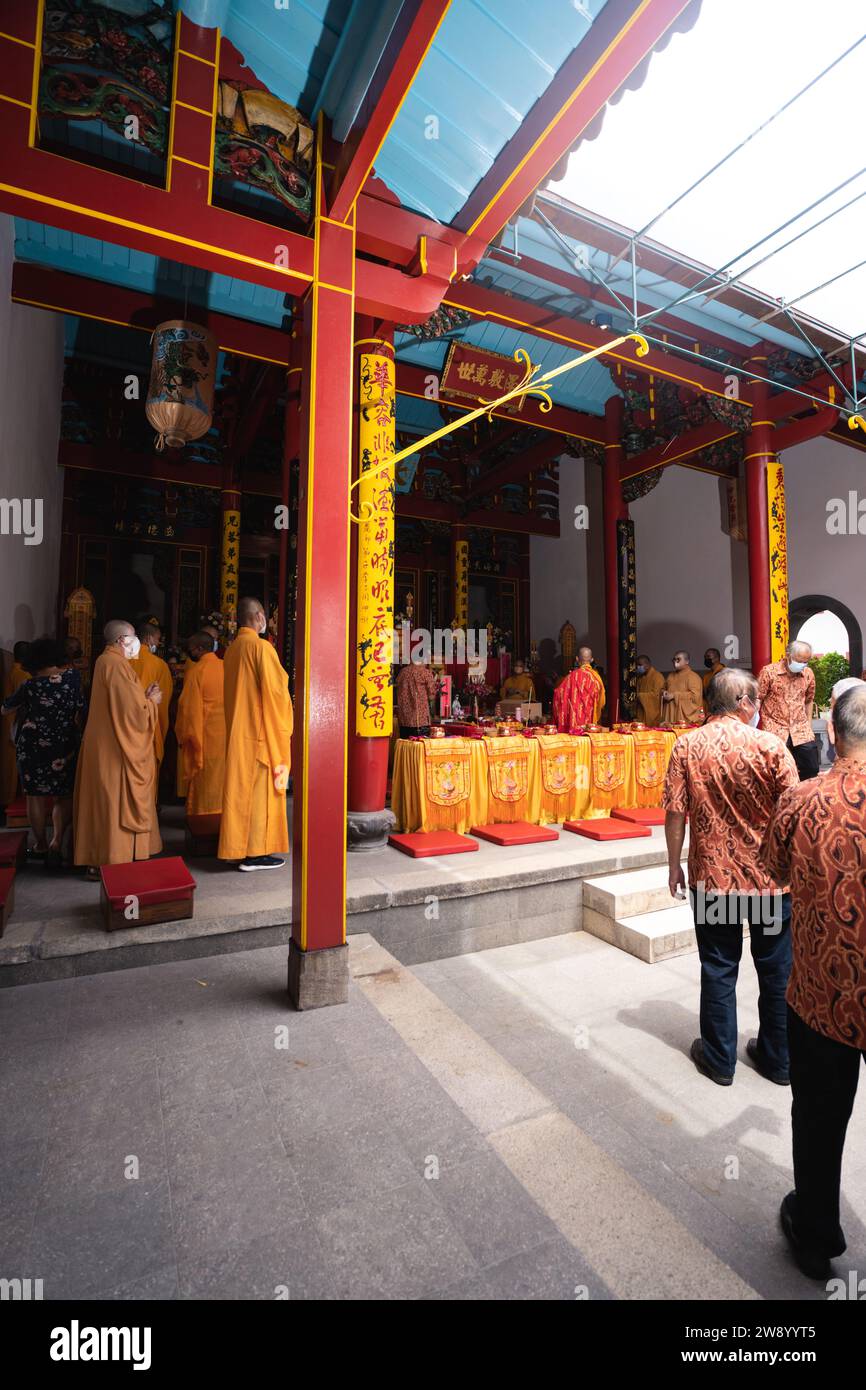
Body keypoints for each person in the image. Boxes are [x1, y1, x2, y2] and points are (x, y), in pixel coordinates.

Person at [761, 685, 866, 1280]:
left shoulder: (803, 800)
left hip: (823, 991)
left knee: (821, 1117)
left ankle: (817, 1231)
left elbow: (774, 871)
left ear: (830, 725)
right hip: (824, 992)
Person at [663, 668, 799, 1085]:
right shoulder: (771, 745)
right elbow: (794, 812)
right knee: (777, 970)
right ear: (743, 702)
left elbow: (674, 811)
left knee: (719, 967)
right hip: (770, 884)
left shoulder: (687, 745)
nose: (758, 708)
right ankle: (779, 1060)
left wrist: (674, 864)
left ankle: (721, 1060)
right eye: (755, 701)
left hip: (715, 881)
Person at [73, 620, 163, 871]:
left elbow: (126, 702)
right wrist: (152, 702)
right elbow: (132, 714)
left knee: (107, 803)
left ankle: (105, 855)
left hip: (107, 742)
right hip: (115, 747)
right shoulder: (115, 663)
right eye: (133, 637)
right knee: (112, 804)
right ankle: (111, 857)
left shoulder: (108, 662)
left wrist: (143, 697)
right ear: (122, 640)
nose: (138, 642)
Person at [218, 597, 293, 871]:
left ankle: (237, 847)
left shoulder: (233, 649)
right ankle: (256, 853)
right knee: (261, 796)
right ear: (260, 616)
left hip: (239, 734)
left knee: (240, 795)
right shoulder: (262, 648)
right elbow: (276, 694)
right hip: (261, 737)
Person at [1, 638, 85, 866]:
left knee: (35, 797)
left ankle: (40, 845)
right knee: (63, 794)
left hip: (33, 746)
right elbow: (81, 708)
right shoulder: (74, 679)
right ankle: (57, 841)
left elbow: (5, 707)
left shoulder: (30, 685)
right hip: (64, 744)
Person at [175, 631, 225, 815]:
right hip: (228, 737)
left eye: (191, 650)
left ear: (199, 649)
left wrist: (184, 735)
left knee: (206, 782)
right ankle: (225, 820)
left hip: (205, 737)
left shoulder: (197, 671)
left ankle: (204, 818)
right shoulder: (226, 666)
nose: (190, 653)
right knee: (224, 780)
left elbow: (188, 708)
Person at [756, 640, 818, 781]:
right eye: (799, 661)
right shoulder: (769, 672)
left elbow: (809, 700)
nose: (802, 665)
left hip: (801, 731)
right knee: (776, 773)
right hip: (775, 730)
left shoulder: (808, 674)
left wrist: (808, 725)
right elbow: (757, 699)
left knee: (811, 770)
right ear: (788, 655)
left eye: (806, 661)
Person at [129, 621, 174, 795]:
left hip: (124, 725)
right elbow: (162, 703)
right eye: (158, 639)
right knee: (146, 775)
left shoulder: (121, 660)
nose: (159, 643)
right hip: (148, 726)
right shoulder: (159, 665)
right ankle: (147, 810)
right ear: (148, 638)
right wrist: (161, 730)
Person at [1, 641, 30, 806]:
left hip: (10, 719)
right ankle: (9, 800)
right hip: (15, 721)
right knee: (13, 764)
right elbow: (23, 700)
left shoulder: (14, 669)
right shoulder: (21, 674)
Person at [553, 645, 605, 731]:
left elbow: (558, 695)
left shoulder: (571, 677)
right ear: (591, 660)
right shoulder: (596, 678)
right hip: (591, 723)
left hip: (574, 723)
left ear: (577, 659)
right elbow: (602, 702)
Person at [395, 655, 439, 737]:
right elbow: (431, 696)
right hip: (420, 720)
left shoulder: (402, 673)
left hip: (404, 720)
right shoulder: (425, 673)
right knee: (419, 747)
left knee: (406, 746)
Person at [660, 650, 704, 725]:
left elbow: (695, 697)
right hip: (670, 715)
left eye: (678, 659)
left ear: (687, 661)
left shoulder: (693, 677)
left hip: (684, 719)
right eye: (674, 659)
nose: (675, 661)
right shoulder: (670, 676)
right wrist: (664, 692)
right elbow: (663, 689)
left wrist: (674, 695)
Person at [633, 653, 665, 725]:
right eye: (637, 665)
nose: (638, 667)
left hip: (653, 714)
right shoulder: (640, 679)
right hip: (641, 713)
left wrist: (640, 696)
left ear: (647, 664)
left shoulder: (657, 677)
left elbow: (657, 695)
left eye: (640, 665)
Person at [701, 647, 725, 714]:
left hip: (721, 709)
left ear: (717, 658)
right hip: (709, 710)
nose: (706, 659)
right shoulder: (706, 676)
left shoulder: (724, 673)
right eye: (705, 657)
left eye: (708, 656)